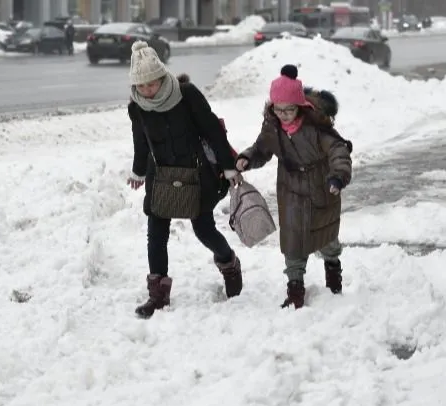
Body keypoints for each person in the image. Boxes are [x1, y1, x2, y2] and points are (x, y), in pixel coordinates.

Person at [126, 40, 243, 319]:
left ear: (162, 76)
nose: (147, 91)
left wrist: (228, 166)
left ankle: (228, 263)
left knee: (203, 230)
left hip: (196, 173)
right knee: (156, 234)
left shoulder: (186, 94)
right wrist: (139, 171)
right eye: (141, 86)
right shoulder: (137, 106)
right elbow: (140, 142)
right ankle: (158, 294)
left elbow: (213, 130)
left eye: (151, 84)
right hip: (162, 176)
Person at [236, 64, 353, 309]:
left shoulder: (316, 126)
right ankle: (295, 290)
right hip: (290, 189)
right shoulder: (273, 127)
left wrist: (338, 176)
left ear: (299, 106)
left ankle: (333, 275)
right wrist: (247, 158)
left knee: (326, 237)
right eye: (278, 109)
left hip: (321, 185)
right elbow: (261, 149)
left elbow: (338, 151)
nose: (284, 114)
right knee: (293, 240)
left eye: (289, 109)